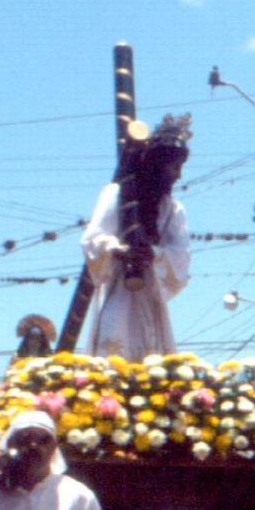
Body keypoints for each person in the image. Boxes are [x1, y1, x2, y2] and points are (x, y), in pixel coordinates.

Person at [78, 115, 192, 360]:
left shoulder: (172, 209)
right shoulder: (116, 194)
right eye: (174, 167)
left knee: (155, 356)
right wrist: (116, 249)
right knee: (114, 349)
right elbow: (92, 238)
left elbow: (181, 254)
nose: (178, 176)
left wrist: (154, 254)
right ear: (156, 164)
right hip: (118, 287)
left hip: (152, 291)